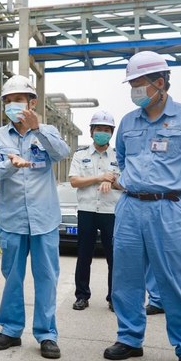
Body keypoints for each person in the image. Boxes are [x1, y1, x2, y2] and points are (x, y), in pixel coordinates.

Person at [104, 51, 181, 361]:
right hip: (129, 206)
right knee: (126, 278)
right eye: (132, 85)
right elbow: (122, 159)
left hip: (169, 207)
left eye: (139, 84)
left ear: (160, 83)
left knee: (176, 280)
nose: (134, 90)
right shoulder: (128, 122)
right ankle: (129, 338)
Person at [0, 74, 70, 360]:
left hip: (44, 219)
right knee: (12, 277)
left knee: (46, 277)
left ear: (31, 103)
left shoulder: (47, 131)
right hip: (13, 219)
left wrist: (38, 129)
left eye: (18, 99)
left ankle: (47, 334)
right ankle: (11, 329)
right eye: (8, 101)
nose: (12, 105)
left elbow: (62, 153)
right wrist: (11, 164)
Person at [69, 110, 122, 312]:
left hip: (111, 212)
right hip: (87, 210)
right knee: (84, 255)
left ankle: (114, 298)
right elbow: (74, 181)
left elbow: (126, 185)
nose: (102, 133)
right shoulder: (80, 155)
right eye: (99, 129)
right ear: (91, 132)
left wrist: (112, 180)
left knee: (114, 257)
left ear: (111, 133)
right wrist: (99, 178)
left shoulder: (119, 157)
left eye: (107, 130)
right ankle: (82, 296)